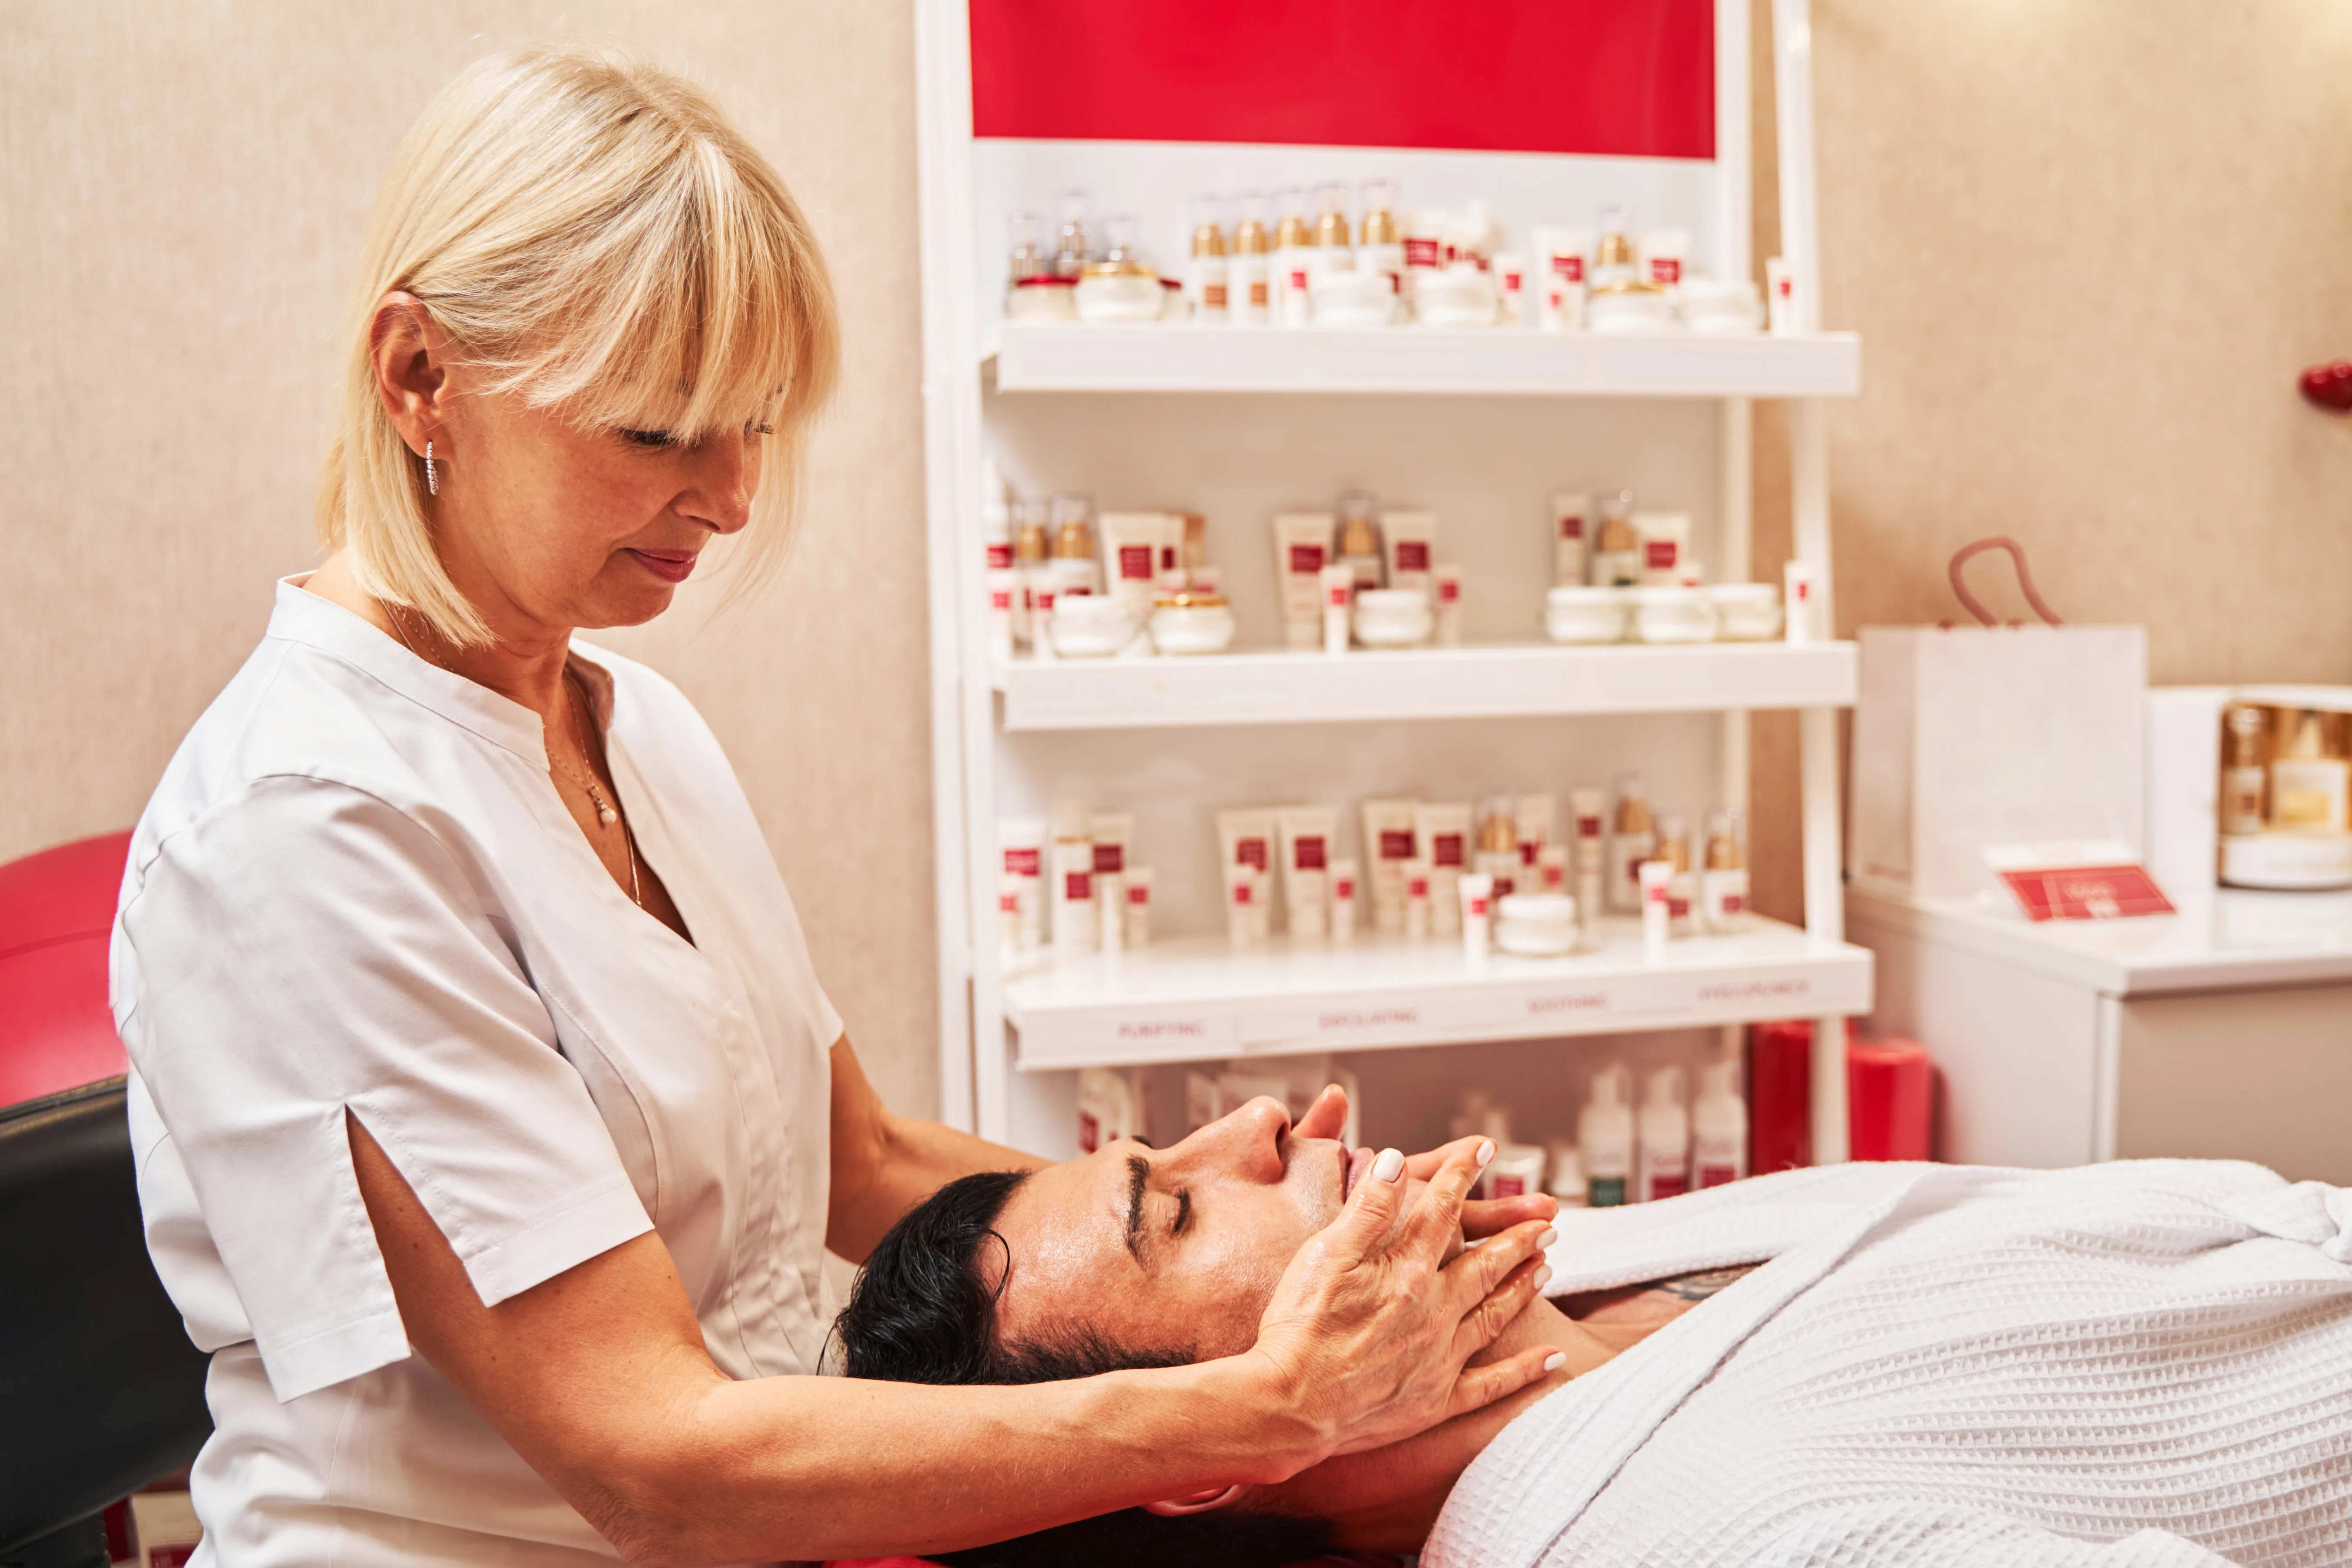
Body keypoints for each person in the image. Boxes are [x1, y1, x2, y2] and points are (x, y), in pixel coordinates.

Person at [109, 49, 1560, 1568]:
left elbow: (848, 1152)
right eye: (662, 430)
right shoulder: (309, 827)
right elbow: (653, 1461)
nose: (733, 497)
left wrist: (1221, 1250)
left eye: (755, 425)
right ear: (423, 379)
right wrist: (1266, 1403)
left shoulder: (631, 723)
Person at [838, 1103, 2352, 1568]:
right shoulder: (1709, 1540)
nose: (1263, 1126)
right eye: (1169, 1212)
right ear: (1207, 1448)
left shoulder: (1585, 1258)